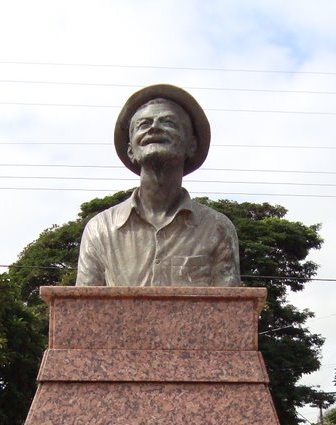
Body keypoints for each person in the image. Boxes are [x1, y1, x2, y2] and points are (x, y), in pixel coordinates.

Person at [76, 84, 240, 287]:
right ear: (130, 150)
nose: (154, 128)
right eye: (143, 125)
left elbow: (229, 311)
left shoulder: (217, 228)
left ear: (192, 145)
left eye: (169, 122)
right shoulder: (100, 229)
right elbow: (84, 307)